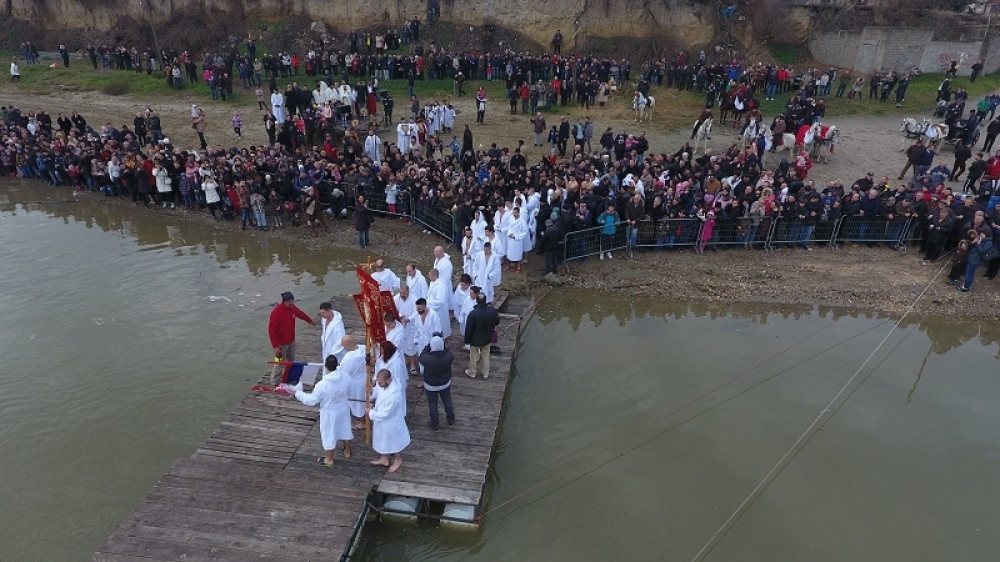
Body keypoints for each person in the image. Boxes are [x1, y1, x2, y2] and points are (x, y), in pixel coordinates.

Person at [286, 355, 353, 466]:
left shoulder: (322, 385)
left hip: (329, 412)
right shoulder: (346, 376)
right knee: (345, 428)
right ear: (337, 365)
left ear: (325, 367)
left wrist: (297, 393)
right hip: (343, 408)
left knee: (329, 434)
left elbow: (311, 400)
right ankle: (347, 451)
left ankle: (329, 459)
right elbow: (350, 389)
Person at [369, 369, 410, 473]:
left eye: (381, 382)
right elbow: (377, 392)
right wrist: (371, 392)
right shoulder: (382, 384)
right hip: (381, 421)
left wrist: (370, 413)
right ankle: (384, 458)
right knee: (382, 438)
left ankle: (398, 459)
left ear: (388, 380)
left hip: (391, 422)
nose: (379, 384)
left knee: (395, 441)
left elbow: (386, 414)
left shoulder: (394, 395)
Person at [419, 336, 455, 430]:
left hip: (431, 385)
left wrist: (428, 345)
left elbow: (421, 355)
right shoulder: (449, 356)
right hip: (445, 383)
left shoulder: (427, 359)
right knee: (447, 400)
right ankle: (451, 420)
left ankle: (435, 424)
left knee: (432, 404)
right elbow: (447, 350)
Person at [267, 291, 315, 362]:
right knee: (279, 363)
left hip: (291, 341)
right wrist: (275, 346)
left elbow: (300, 313)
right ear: (284, 301)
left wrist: (309, 320)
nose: (292, 303)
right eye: (289, 301)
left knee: (291, 359)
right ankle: (276, 373)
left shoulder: (292, 307)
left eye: (292, 301)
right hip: (280, 344)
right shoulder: (276, 313)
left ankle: (289, 372)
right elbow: (271, 331)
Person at [464, 292, 499, 379]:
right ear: (485, 300)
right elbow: (497, 322)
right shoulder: (492, 311)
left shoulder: (473, 313)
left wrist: (467, 341)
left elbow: (468, 329)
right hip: (487, 338)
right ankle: (485, 373)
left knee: (473, 357)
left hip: (474, 339)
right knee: (486, 356)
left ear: (476, 301)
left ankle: (472, 372)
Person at [339, 335, 369, 425]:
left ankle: (363, 422)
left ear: (347, 345)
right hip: (365, 378)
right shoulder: (364, 348)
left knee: (358, 403)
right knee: (365, 400)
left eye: (344, 345)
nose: (343, 347)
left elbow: (344, 373)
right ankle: (365, 419)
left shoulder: (348, 358)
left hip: (355, 383)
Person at [425, 268, 451, 338]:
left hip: (439, 310)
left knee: (441, 326)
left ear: (434, 276)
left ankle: (444, 342)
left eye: (430, 275)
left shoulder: (441, 286)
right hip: (433, 309)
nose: (428, 276)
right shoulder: (432, 283)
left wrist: (429, 306)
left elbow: (440, 301)